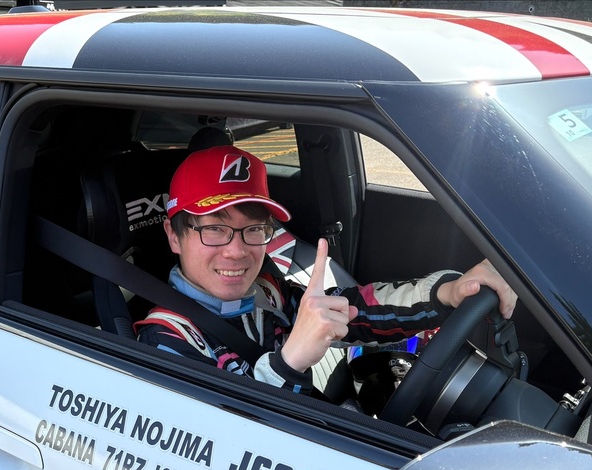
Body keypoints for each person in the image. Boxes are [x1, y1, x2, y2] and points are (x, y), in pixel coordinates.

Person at [134, 144, 517, 397]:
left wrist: (447, 292)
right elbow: (229, 452)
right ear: (174, 236)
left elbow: (349, 310)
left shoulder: (266, 290)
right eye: (215, 229)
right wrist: (289, 362)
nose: (236, 251)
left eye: (253, 229)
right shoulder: (163, 342)